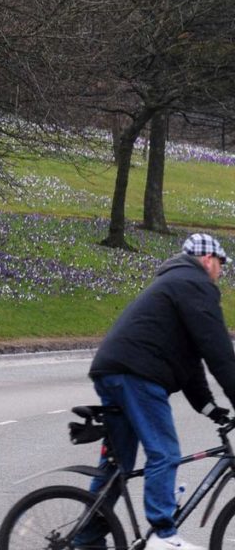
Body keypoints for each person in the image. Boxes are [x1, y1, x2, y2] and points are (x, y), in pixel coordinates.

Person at [73, 233, 233, 550]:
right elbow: (219, 353)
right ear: (207, 260)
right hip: (137, 375)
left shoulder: (176, 283)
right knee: (165, 452)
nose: (221, 273)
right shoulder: (195, 284)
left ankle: (85, 537)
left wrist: (209, 408)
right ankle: (162, 533)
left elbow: (191, 359)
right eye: (221, 265)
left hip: (114, 371)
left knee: (118, 465)